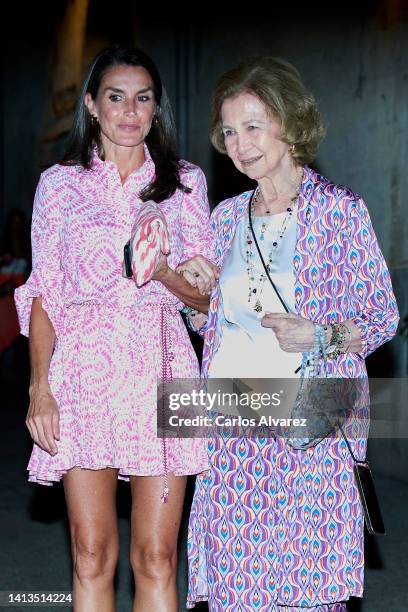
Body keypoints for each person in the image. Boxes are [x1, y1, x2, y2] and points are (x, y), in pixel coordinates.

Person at [179, 57, 399, 611]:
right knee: (236, 578)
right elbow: (219, 325)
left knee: (304, 580)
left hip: (312, 421)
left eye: (253, 126)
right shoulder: (227, 215)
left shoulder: (340, 211)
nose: (239, 143)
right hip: (233, 415)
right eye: (228, 130)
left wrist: (319, 335)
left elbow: (380, 317)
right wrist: (199, 303)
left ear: (289, 123)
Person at [14, 46, 216, 612]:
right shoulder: (59, 186)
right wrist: (40, 388)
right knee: (91, 552)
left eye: (143, 98)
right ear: (92, 106)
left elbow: (205, 299)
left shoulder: (186, 183)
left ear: (157, 109)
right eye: (116, 97)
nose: (130, 110)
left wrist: (162, 268)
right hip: (84, 374)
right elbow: (44, 295)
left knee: (157, 556)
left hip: (165, 370)